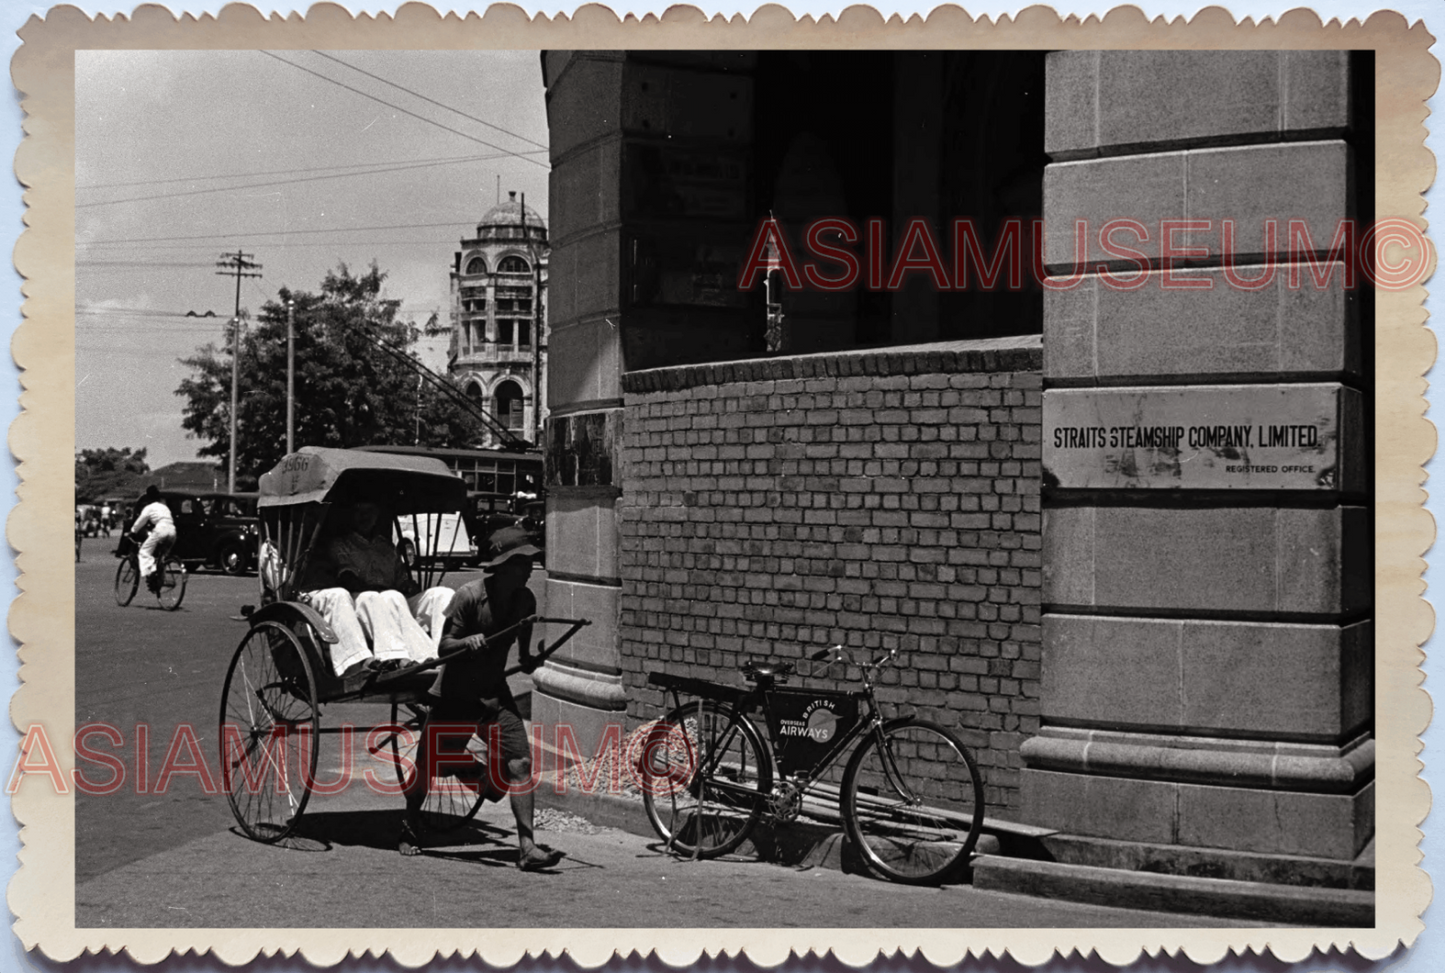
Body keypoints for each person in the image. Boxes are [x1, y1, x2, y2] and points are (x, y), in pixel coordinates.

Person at [400, 525, 563, 871]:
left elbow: (523, 656)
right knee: (428, 765)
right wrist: (467, 641)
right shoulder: (469, 596)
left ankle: (527, 848)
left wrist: (536, 659)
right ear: (502, 565)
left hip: (494, 694)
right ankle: (410, 825)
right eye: (521, 563)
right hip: (455, 695)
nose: (528, 569)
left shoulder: (525, 601)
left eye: (530, 563)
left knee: (519, 764)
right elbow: (443, 647)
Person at [300, 500, 453, 678]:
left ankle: (442, 654)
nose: (365, 517)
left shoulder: (387, 547)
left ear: (378, 515)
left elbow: (401, 579)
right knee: (385, 597)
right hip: (366, 602)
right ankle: (407, 656)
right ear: (351, 515)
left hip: (397, 602)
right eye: (359, 511)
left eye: (370, 511)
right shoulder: (341, 545)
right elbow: (348, 578)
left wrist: (407, 585)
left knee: (442, 594)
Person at [129, 486, 176, 595]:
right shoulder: (164, 507)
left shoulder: (149, 507)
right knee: (162, 556)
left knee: (144, 552)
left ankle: (152, 573)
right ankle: (159, 577)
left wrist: (132, 531)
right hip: (172, 531)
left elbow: (140, 521)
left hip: (161, 530)